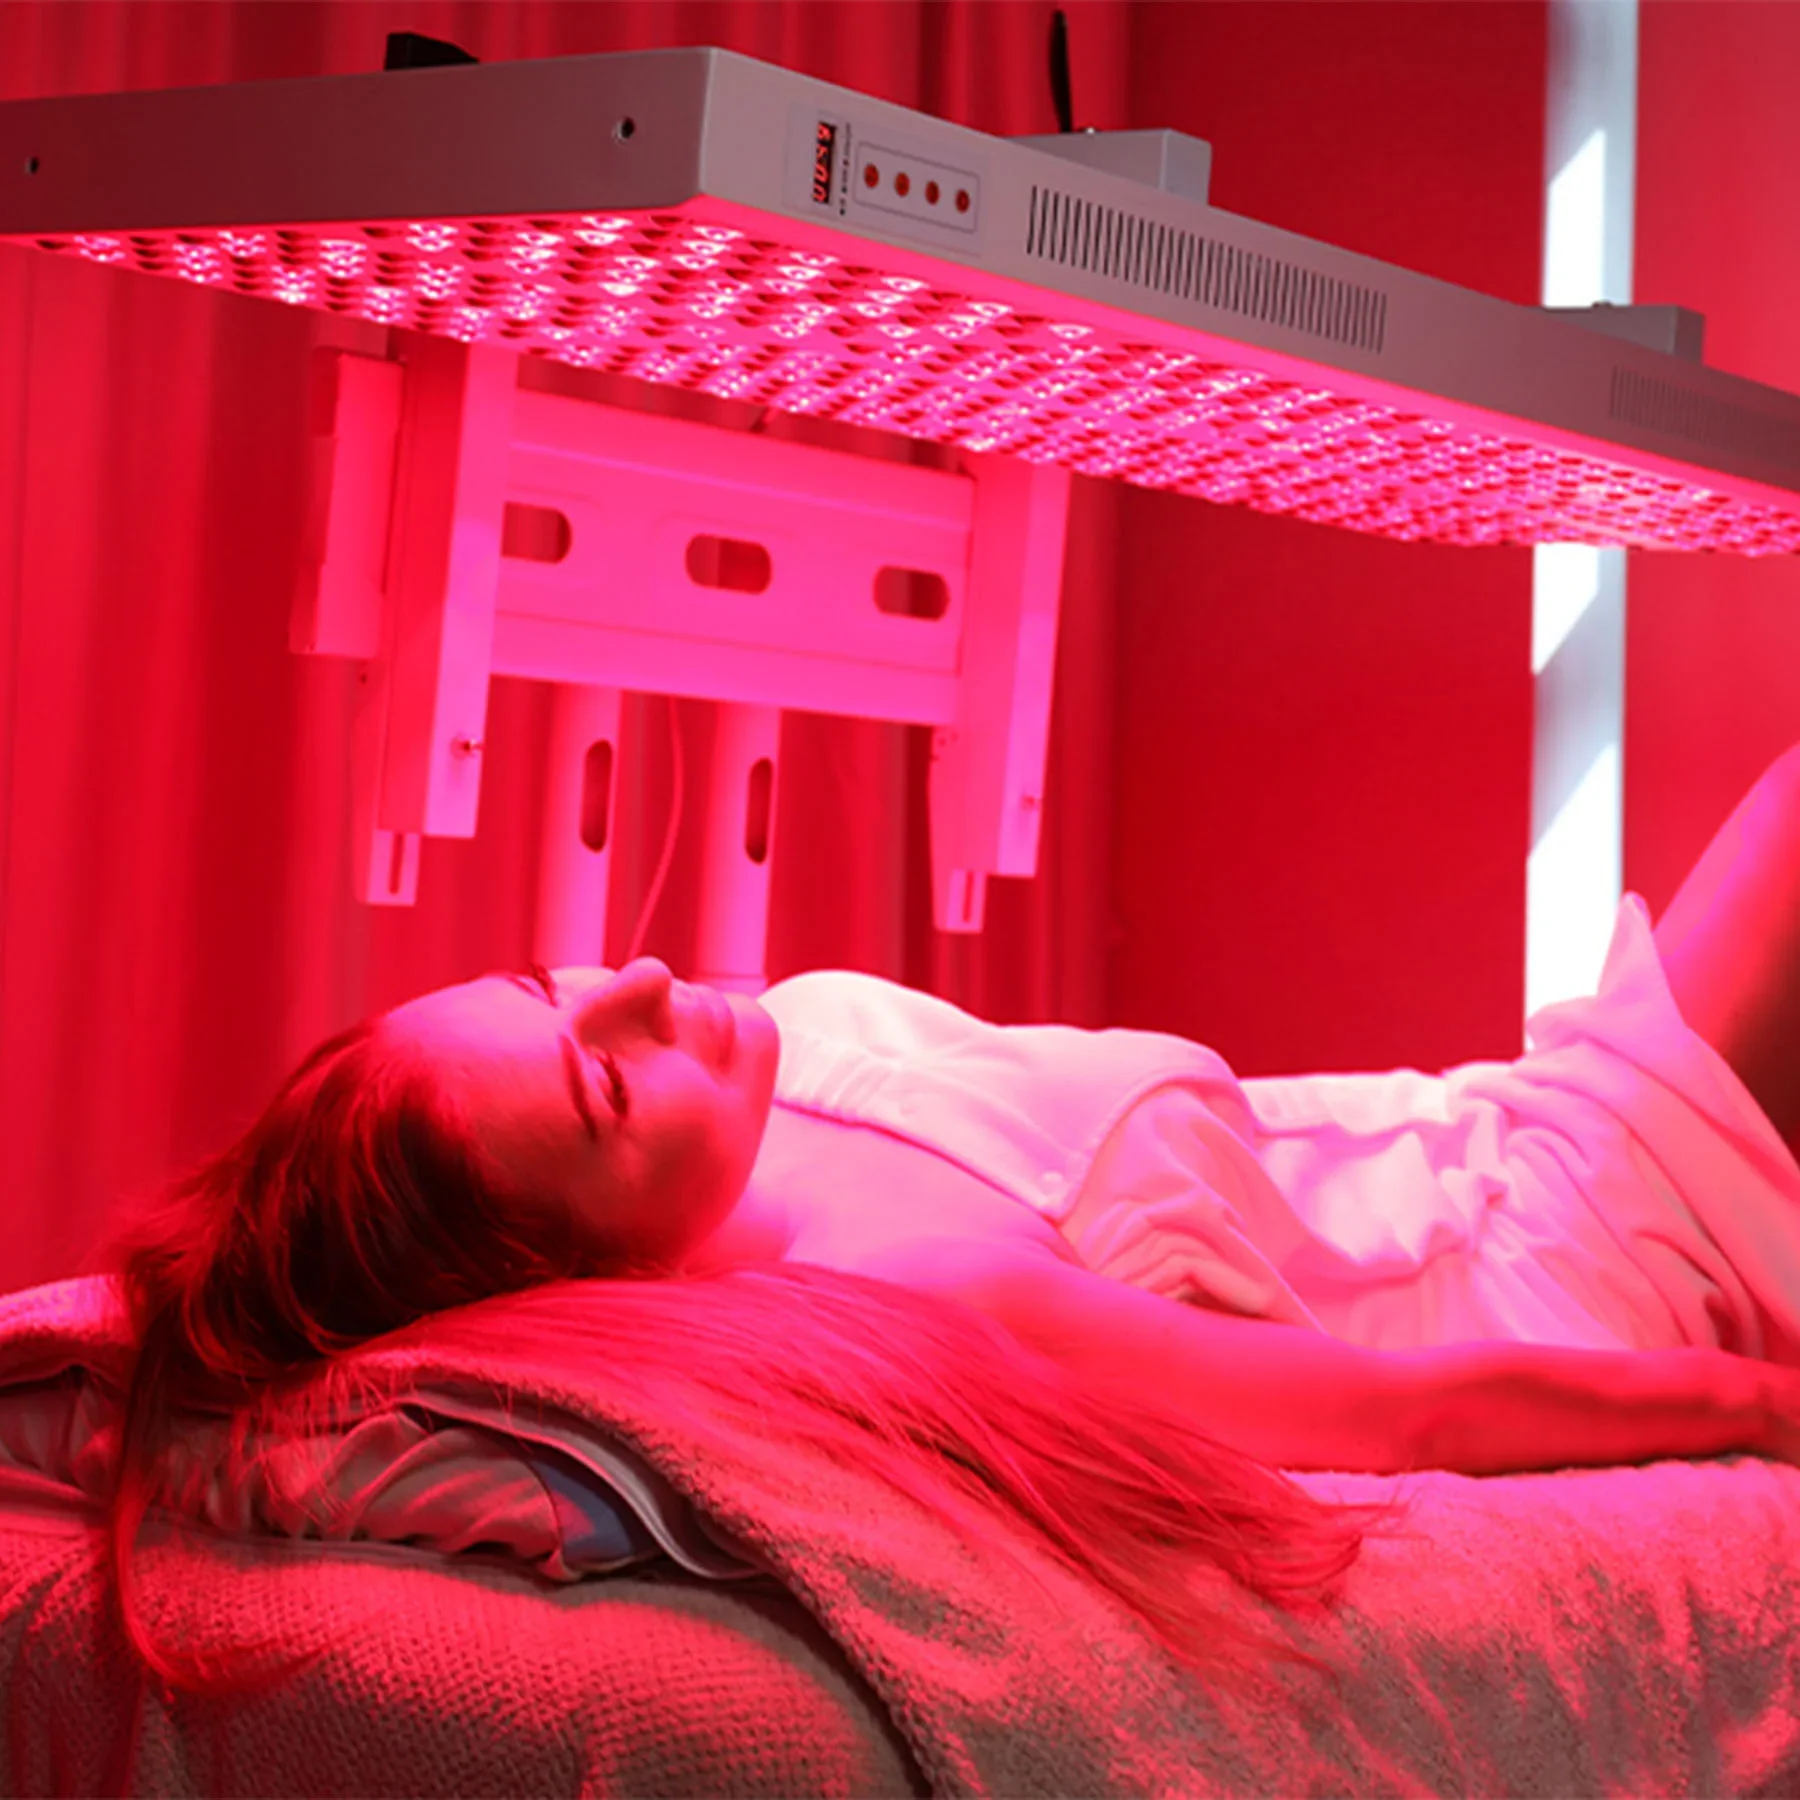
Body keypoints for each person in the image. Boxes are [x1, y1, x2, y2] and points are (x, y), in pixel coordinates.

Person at [104, 746, 1800, 1691]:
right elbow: (1419, 1413)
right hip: (1603, 1244)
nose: (633, 979)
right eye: (603, 1083)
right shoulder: (922, 1299)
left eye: (550, 982)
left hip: (1485, 1126)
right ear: (607, 1274)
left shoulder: (756, 1092)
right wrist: (1772, 1416)